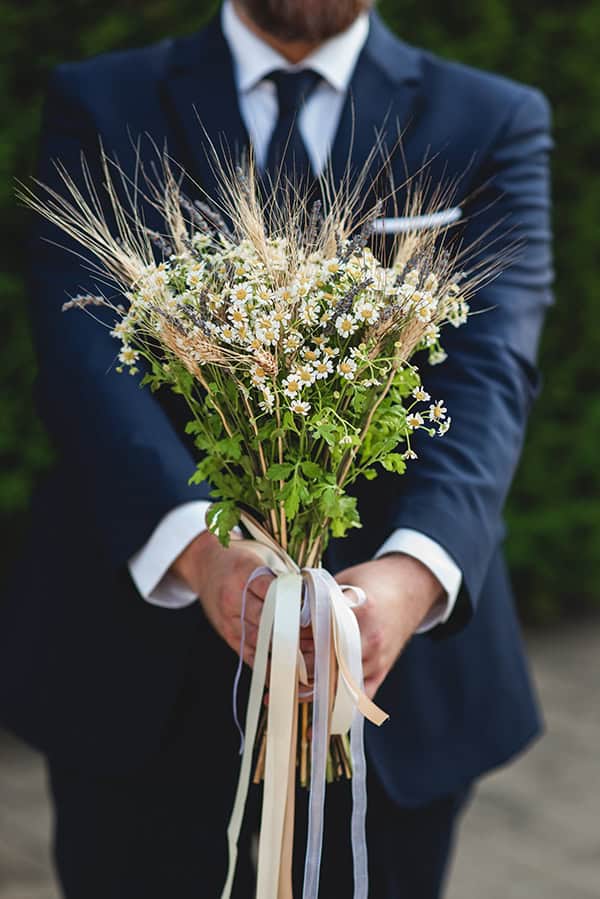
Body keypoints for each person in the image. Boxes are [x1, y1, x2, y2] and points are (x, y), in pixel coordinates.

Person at [0, 1, 553, 897]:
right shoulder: (102, 100)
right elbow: (82, 359)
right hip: (134, 677)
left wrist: (407, 580)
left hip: (396, 699)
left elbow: (492, 372)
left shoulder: (493, 116)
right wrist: (203, 553)